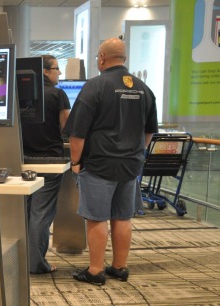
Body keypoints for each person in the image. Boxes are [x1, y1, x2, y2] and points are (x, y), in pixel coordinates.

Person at [65, 37, 158, 286]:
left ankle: (95, 270)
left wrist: (75, 162)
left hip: (99, 165)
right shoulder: (143, 88)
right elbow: (149, 132)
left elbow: (77, 132)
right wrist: (136, 152)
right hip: (130, 166)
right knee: (122, 217)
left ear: (102, 57)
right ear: (123, 59)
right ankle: (120, 267)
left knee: (97, 217)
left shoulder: (94, 87)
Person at [22, 55, 71, 275]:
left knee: (25, 212)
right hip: (50, 161)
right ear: (44, 71)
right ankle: (36, 263)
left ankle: (22, 259)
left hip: (23, 160)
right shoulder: (57, 94)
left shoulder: (19, 94)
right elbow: (67, 126)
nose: (59, 73)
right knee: (41, 214)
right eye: (56, 69)